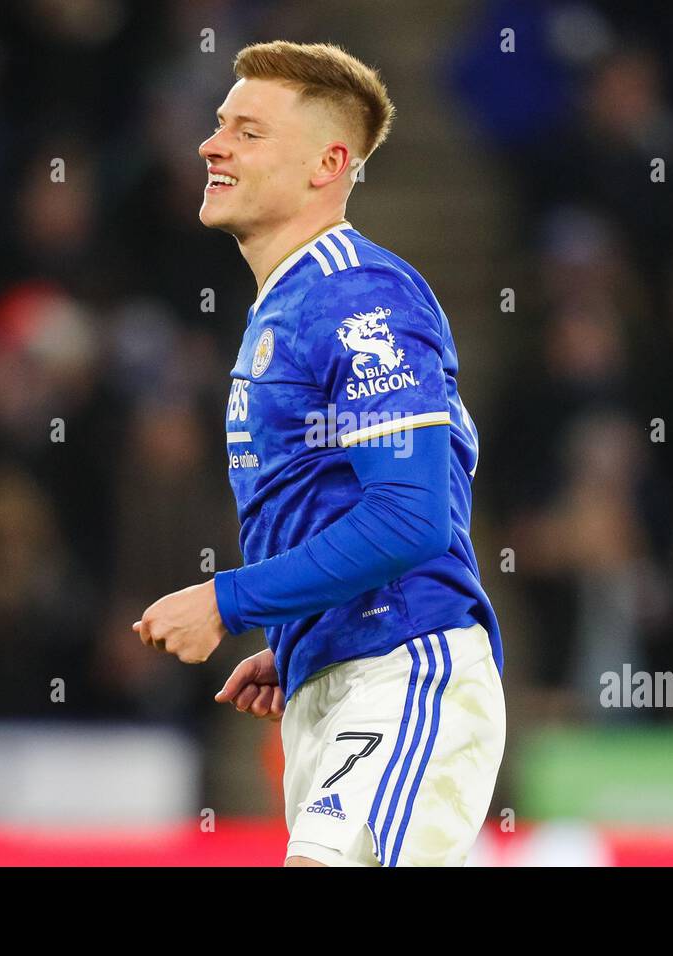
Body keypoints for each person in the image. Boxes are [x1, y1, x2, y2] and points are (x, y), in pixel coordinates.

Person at [134, 40, 504, 867]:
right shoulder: (290, 303)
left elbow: (411, 518)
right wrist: (305, 622)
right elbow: (356, 500)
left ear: (327, 163)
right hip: (341, 671)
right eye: (218, 123)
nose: (211, 143)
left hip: (405, 667)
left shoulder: (358, 293)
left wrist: (231, 602)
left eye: (248, 131)